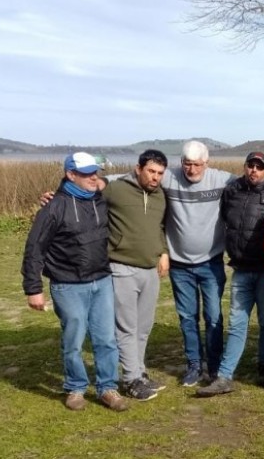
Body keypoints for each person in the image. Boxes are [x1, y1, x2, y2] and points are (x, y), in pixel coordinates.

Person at [22, 152, 129, 412]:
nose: (94, 177)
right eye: (87, 173)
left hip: (102, 280)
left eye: (96, 172)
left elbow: (127, 181)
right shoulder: (54, 207)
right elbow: (34, 248)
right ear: (71, 175)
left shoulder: (100, 200)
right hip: (67, 285)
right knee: (74, 340)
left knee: (105, 339)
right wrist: (33, 288)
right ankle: (75, 388)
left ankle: (107, 388)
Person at [196, 152, 264, 397]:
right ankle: (225, 376)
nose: (254, 170)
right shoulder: (231, 190)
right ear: (245, 167)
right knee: (237, 324)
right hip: (241, 269)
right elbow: (223, 219)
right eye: (250, 165)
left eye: (260, 167)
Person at [161, 140, 235, 387]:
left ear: (207, 162)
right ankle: (193, 365)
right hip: (179, 265)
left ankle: (213, 367)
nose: (191, 170)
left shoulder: (221, 180)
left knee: (214, 316)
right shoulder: (168, 178)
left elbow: (252, 182)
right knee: (187, 317)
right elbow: (133, 176)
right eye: (187, 163)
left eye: (196, 164)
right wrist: (100, 181)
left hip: (211, 263)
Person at [102, 149, 170, 401]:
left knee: (143, 327)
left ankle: (139, 372)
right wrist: (54, 196)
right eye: (151, 171)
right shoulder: (116, 189)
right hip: (121, 267)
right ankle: (130, 379)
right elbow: (86, 189)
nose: (155, 177)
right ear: (138, 168)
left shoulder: (160, 196)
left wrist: (163, 251)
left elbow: (158, 228)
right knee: (126, 326)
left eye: (160, 173)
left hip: (149, 269)